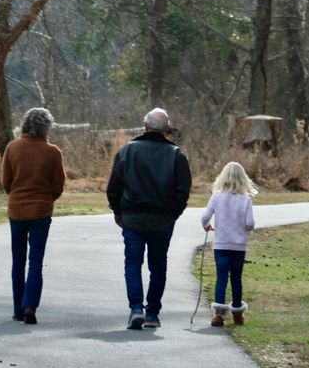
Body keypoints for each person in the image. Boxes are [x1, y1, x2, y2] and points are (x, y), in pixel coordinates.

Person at [105, 108, 191, 330]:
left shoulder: (127, 151)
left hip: (133, 217)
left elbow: (113, 187)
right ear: (166, 128)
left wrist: (117, 211)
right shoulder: (176, 154)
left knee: (133, 263)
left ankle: (136, 308)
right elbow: (183, 190)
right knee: (158, 265)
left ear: (145, 125)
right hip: (162, 219)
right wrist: (174, 213)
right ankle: (152, 312)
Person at [0, 107, 66, 325]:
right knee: (36, 260)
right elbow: (58, 186)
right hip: (41, 211)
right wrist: (46, 199)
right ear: (46, 127)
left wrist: (17, 195)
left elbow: (5, 182)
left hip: (17, 210)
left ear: (25, 124)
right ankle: (30, 305)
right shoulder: (53, 152)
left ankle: (18, 308)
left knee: (18, 260)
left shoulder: (12, 148)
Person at [200, 161, 257, 327]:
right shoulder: (245, 200)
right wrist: (244, 227)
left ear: (223, 177)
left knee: (221, 277)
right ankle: (237, 315)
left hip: (221, 244)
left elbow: (205, 217)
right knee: (236, 279)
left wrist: (206, 225)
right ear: (243, 179)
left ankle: (218, 315)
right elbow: (250, 224)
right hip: (238, 246)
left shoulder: (217, 197)